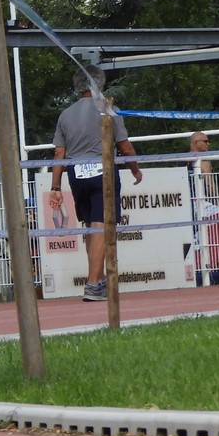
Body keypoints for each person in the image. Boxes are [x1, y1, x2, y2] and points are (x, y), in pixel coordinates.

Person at [47, 66, 144, 302]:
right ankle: (92, 284)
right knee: (101, 225)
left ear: (77, 87)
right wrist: (135, 170)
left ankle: (98, 280)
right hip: (103, 171)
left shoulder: (65, 115)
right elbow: (125, 146)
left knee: (91, 226)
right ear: (99, 84)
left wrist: (56, 187)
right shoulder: (108, 109)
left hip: (76, 173)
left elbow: (59, 153)